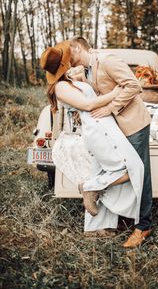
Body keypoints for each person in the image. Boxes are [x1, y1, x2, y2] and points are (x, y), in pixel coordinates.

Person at [40, 42, 144, 240]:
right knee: (132, 168)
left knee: (105, 171)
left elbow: (88, 93)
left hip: (104, 126)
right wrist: (114, 94)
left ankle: (96, 228)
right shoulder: (60, 87)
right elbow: (88, 105)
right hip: (98, 130)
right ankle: (92, 186)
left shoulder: (69, 81)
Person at [69, 37, 153, 248]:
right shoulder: (87, 69)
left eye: (69, 53)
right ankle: (111, 219)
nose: (67, 59)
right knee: (116, 169)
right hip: (113, 130)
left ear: (78, 48)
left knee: (139, 172)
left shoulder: (108, 60)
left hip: (133, 124)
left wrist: (111, 108)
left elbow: (133, 85)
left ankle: (143, 226)